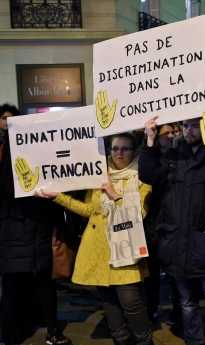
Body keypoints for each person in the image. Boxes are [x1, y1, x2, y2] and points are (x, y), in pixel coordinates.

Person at [35, 132, 152, 345]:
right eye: (115, 148)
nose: (119, 153)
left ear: (134, 151)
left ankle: (145, 341)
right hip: (97, 247)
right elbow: (90, 209)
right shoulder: (98, 174)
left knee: (130, 301)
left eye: (125, 148)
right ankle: (121, 340)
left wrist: (115, 194)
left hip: (125, 248)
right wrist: (58, 197)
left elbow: (139, 214)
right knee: (108, 301)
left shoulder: (142, 177)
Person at [139, 115, 205, 345]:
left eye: (194, 126)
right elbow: (148, 175)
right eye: (185, 126)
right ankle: (194, 341)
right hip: (177, 245)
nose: (189, 131)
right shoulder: (174, 157)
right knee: (186, 304)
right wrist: (150, 139)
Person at [0, 104, 73, 345]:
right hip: (15, 231)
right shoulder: (5, 171)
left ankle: (47, 329)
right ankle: (11, 332)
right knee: (14, 286)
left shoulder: (42, 160)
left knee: (43, 283)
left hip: (38, 229)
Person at [143, 123, 176, 322]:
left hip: (171, 221)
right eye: (167, 133)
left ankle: (177, 310)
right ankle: (151, 308)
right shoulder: (147, 157)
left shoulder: (179, 156)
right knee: (152, 272)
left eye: (174, 132)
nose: (171, 136)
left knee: (173, 272)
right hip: (152, 222)